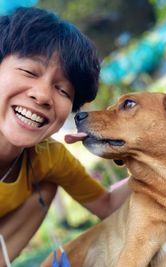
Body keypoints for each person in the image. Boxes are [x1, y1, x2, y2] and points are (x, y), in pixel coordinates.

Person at [0, 6, 131, 265]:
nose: (42, 95)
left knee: (47, 188)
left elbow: (107, 205)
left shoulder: (48, 158)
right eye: (29, 72)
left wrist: (151, 151)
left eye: (62, 91)